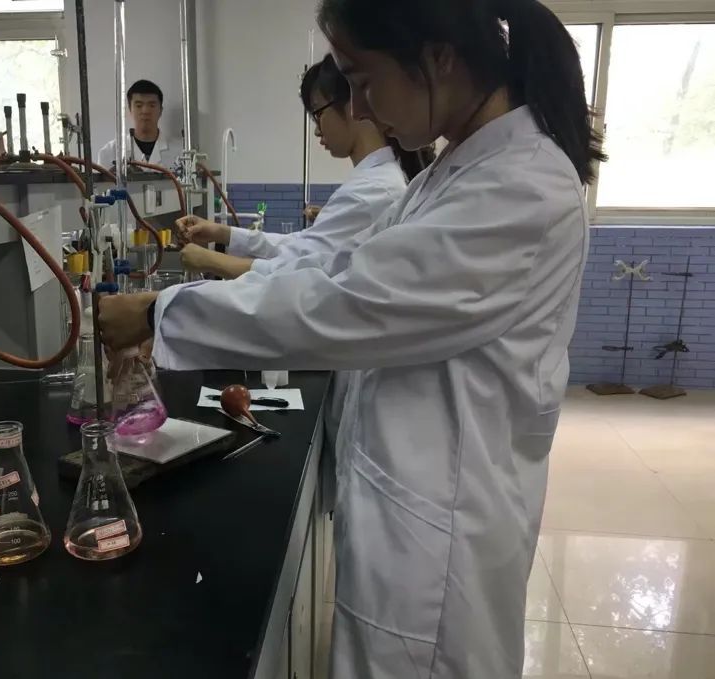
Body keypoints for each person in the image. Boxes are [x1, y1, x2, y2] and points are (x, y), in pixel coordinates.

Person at [99, 0, 603, 675]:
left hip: (438, 541)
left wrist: (161, 311)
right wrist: (178, 300)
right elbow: (335, 266)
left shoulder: (519, 185)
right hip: (411, 507)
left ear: (438, 58)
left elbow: (347, 303)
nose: (359, 108)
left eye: (363, 80)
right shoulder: (457, 172)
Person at [175, 55, 420, 280]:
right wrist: (221, 232)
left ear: (353, 105)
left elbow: (300, 268)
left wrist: (211, 261)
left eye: (318, 113)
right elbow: (302, 246)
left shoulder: (372, 190)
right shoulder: (373, 181)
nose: (317, 130)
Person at [96, 80, 184, 170]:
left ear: (161, 110)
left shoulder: (180, 152)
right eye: (139, 106)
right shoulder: (110, 152)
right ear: (130, 110)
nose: (145, 111)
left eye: (152, 105)